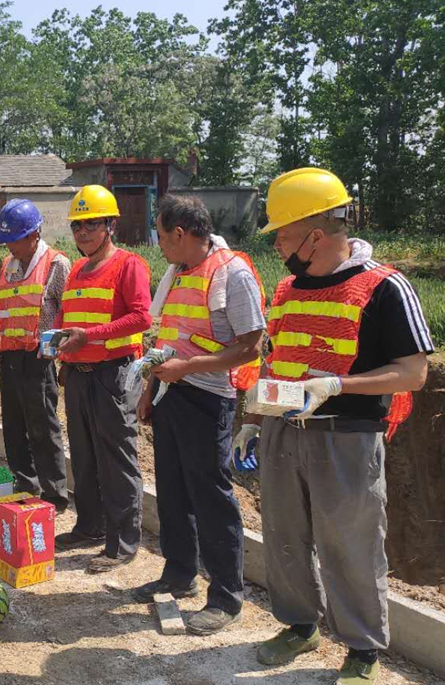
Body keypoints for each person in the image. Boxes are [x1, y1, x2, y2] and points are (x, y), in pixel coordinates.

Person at [233, 168, 433, 684]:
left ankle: (363, 651)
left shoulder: (385, 288)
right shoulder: (287, 288)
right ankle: (301, 626)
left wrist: (338, 385)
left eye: (282, 233)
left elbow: (413, 373)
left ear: (314, 235)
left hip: (346, 437)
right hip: (282, 431)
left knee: (350, 543)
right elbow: (274, 361)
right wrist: (252, 422)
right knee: (284, 534)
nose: (277, 244)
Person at [131, 194, 266, 635]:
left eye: (161, 236)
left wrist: (187, 369)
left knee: (211, 497)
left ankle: (226, 596)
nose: (159, 245)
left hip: (208, 399)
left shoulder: (231, 273)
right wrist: (151, 389)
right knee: (172, 490)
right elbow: (166, 338)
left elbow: (250, 347)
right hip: (171, 393)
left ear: (180, 233)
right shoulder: (178, 272)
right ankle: (179, 574)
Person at [54, 184, 152, 573]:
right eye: (77, 226)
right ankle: (90, 526)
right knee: (83, 454)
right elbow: (67, 317)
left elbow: (142, 318)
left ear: (110, 225)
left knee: (116, 459)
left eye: (91, 224)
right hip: (79, 374)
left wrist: (89, 337)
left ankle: (123, 543)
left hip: (114, 375)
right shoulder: (77, 269)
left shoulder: (129, 265)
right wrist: (59, 347)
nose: (83, 232)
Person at [0, 199, 71, 511]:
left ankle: (54, 496)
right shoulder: (10, 265)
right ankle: (25, 485)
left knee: (43, 428)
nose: (9, 247)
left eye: (14, 240)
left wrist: (62, 356)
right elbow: (1, 309)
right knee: (13, 427)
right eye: (6, 241)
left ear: (34, 234)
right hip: (10, 356)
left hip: (39, 357)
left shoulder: (55, 264)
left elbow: (68, 311)